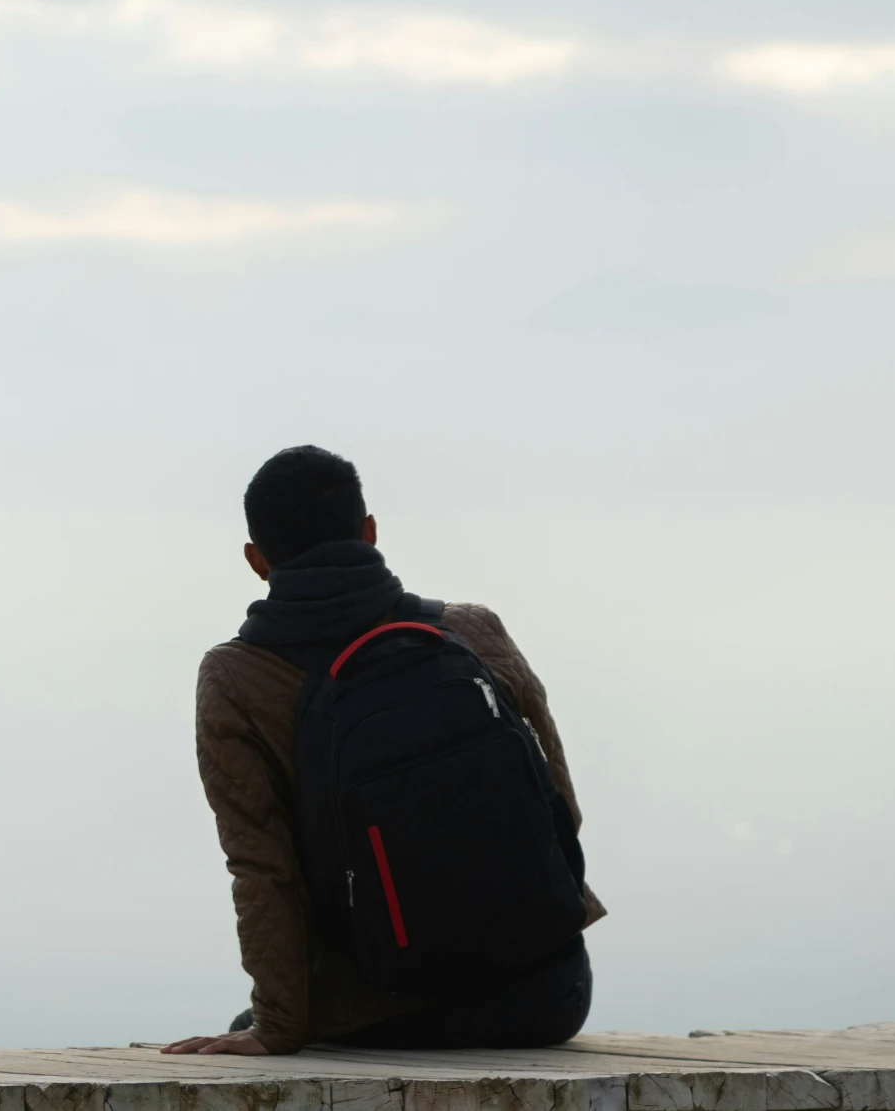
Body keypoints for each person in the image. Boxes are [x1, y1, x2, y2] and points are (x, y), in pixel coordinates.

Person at [162, 445, 604, 1055]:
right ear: (369, 533)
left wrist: (276, 1029)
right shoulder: (473, 631)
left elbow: (264, 870)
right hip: (549, 994)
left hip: (380, 1000)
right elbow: (559, 807)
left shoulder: (235, 680)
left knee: (250, 1027)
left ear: (257, 561)